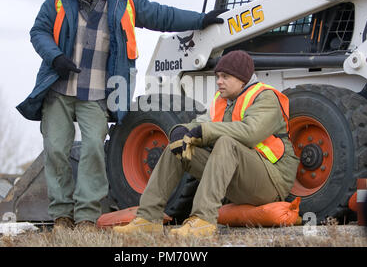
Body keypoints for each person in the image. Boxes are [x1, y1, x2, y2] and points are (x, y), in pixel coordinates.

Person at [16, 0, 226, 230]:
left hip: (98, 93)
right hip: (59, 89)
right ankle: (62, 215)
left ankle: (87, 216)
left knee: (93, 149)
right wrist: (55, 57)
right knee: (55, 150)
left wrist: (200, 20)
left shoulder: (124, 1)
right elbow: (38, 31)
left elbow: (161, 15)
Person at [113, 50, 300, 237]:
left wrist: (205, 132)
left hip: (271, 181)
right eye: (218, 76)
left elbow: (250, 133)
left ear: (242, 79)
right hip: (238, 179)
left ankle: (203, 221)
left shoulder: (265, 97)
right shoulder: (221, 101)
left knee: (227, 143)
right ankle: (148, 218)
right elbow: (201, 123)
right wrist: (181, 130)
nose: (219, 81)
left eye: (225, 76)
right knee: (178, 147)